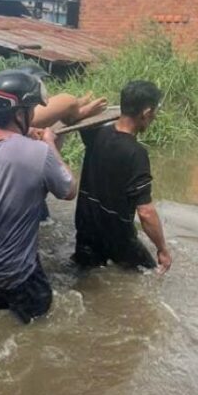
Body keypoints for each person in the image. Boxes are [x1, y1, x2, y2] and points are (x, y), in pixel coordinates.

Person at [0, 69, 78, 323]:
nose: (34, 114)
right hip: (19, 276)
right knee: (40, 331)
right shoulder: (38, 153)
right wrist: (50, 145)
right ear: (21, 114)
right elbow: (69, 190)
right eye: (32, 109)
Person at [72, 80, 172, 275]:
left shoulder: (95, 132)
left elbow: (76, 120)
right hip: (118, 238)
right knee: (152, 276)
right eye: (154, 114)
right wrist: (162, 249)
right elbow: (145, 212)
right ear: (146, 113)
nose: (154, 118)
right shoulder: (136, 154)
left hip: (86, 231)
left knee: (86, 280)